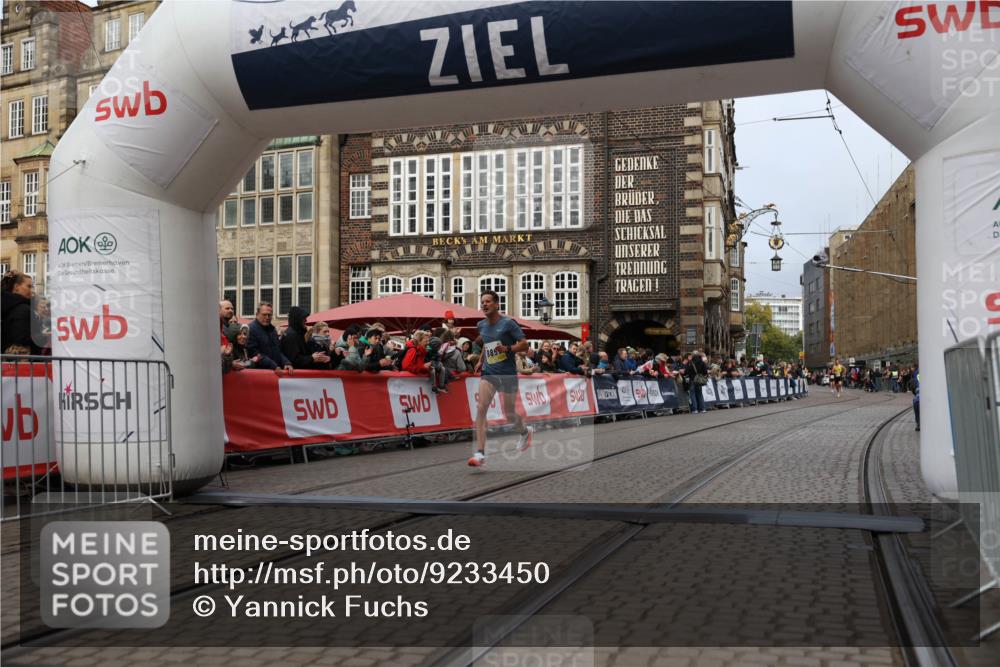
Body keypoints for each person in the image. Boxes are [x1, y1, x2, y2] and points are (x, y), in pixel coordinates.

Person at [468, 290, 532, 467]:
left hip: (507, 373)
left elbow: (524, 344)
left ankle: (525, 431)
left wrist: (509, 349)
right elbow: (487, 344)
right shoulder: (481, 325)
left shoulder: (508, 324)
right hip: (489, 372)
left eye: (488, 301)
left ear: (497, 304)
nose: (484, 304)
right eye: (482, 302)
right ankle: (480, 453)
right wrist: (481, 360)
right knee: (481, 408)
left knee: (509, 414)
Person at [2, 270, 41, 355]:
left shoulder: (7, 305)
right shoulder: (23, 309)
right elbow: (21, 340)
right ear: (16, 287)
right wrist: (43, 335)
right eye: (29, 286)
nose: (31, 290)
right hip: (23, 360)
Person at [247, 302, 293, 372]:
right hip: (260, 373)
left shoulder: (273, 330)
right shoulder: (250, 329)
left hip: (274, 371)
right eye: (264, 315)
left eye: (269, 315)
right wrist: (273, 365)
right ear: (257, 315)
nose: (267, 317)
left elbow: (278, 351)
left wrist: (286, 362)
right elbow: (254, 354)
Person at [909, 365, 920, 431]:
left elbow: (914, 384)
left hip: (919, 392)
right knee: (916, 402)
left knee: (916, 402)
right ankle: (918, 422)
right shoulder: (917, 373)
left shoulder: (916, 373)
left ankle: (918, 423)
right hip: (919, 392)